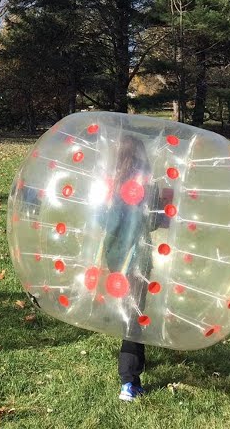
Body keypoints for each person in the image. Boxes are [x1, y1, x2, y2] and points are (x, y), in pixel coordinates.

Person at [93, 134, 155, 402]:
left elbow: (104, 221)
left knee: (131, 315)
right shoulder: (144, 187)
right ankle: (129, 382)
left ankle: (135, 368)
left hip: (117, 260)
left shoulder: (113, 184)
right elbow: (154, 222)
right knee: (134, 317)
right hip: (137, 261)